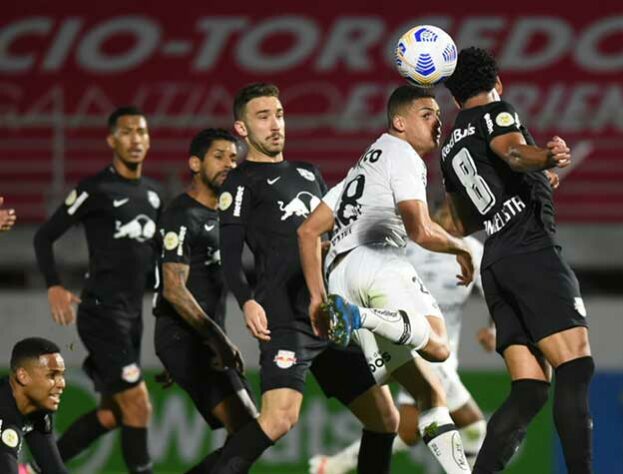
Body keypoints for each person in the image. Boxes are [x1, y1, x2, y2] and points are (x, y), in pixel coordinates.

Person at [211, 83, 400, 474]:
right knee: (280, 419)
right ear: (242, 129)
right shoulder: (240, 182)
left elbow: (326, 236)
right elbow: (229, 255)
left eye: (278, 114)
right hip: (286, 317)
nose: (275, 124)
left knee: (385, 420)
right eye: (263, 117)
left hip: (329, 317)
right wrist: (246, 299)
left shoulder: (308, 173)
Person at [298, 85, 474, 473]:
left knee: (430, 392)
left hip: (340, 276)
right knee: (439, 347)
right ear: (399, 122)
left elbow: (308, 232)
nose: (438, 121)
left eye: (439, 115)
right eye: (427, 114)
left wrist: (316, 297)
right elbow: (420, 230)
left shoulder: (361, 168)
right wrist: (460, 248)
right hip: (378, 260)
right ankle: (359, 315)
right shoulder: (403, 155)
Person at [440, 47, 595, 474]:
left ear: (454, 99)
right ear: (498, 84)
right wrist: (545, 156)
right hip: (531, 249)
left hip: (496, 259)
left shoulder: (450, 146)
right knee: (576, 365)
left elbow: (462, 219)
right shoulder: (497, 111)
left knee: (530, 390)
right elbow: (512, 152)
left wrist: (535, 179)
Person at [308, 205, 491, 474]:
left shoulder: (470, 250)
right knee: (474, 428)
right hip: (416, 344)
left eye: (462, 218)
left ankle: (332, 467)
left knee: (407, 431)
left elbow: (496, 292)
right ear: (436, 212)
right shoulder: (406, 243)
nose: (454, 224)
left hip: (445, 351)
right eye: (449, 214)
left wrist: (494, 328)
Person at [32, 106, 162, 473]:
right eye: (127, 132)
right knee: (139, 405)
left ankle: (36, 468)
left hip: (133, 316)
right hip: (102, 314)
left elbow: (161, 260)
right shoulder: (95, 189)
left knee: (112, 413)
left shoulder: (153, 194)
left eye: (142, 131)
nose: (136, 139)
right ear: (111, 140)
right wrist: (54, 285)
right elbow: (44, 237)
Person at [152, 128, 258, 473]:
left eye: (233, 156)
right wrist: (217, 340)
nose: (229, 163)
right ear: (195, 163)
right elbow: (173, 288)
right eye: (219, 156)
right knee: (250, 430)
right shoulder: (182, 214)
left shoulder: (224, 215)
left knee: (248, 434)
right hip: (189, 338)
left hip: (197, 341)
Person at [0, 338, 68, 473]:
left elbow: (54, 469)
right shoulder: (4, 411)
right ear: (23, 376)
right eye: (52, 375)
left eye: (62, 375)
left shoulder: (38, 411)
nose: (62, 384)